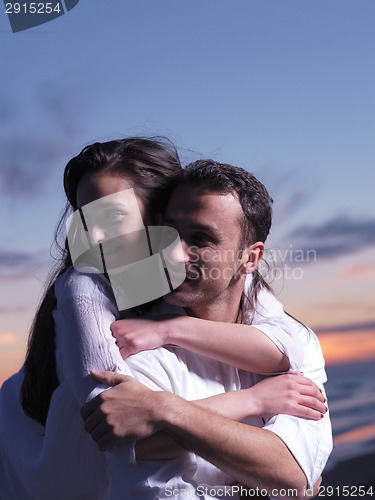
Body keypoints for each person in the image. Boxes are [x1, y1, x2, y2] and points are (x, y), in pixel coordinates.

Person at [0, 143, 327, 500]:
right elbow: (120, 425)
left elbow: (296, 473)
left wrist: (171, 332)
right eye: (86, 219)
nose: (94, 236)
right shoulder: (90, 290)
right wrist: (251, 402)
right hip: (48, 468)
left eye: (112, 216)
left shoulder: (246, 292)